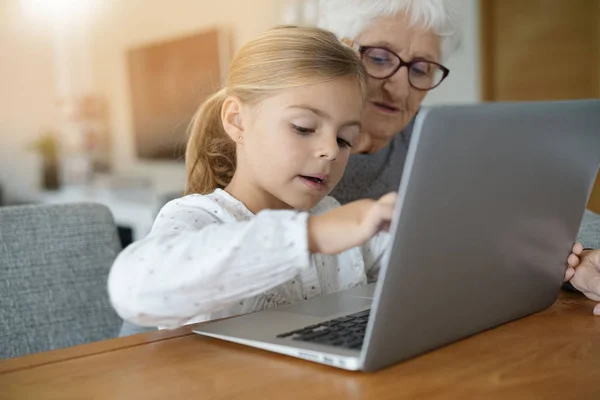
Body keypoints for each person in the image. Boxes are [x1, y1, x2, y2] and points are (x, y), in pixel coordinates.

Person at [108, 25, 401, 328]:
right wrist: (310, 235)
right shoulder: (199, 218)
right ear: (237, 120)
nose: (330, 150)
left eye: (344, 139)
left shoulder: (336, 217)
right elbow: (131, 288)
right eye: (303, 127)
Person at [317, 0, 600, 312]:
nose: (399, 88)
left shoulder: (439, 141)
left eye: (421, 68)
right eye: (380, 58)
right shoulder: (295, 152)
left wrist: (582, 260)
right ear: (337, 51)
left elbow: (544, 216)